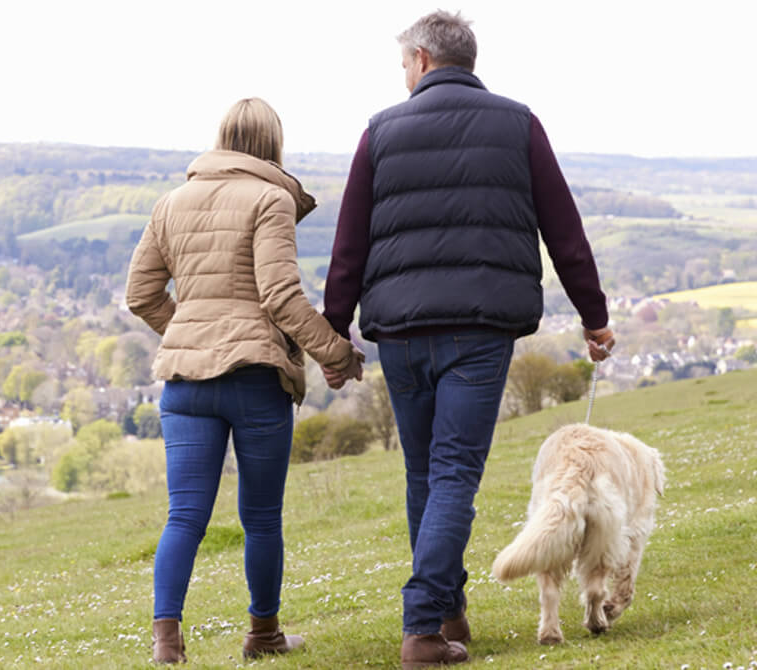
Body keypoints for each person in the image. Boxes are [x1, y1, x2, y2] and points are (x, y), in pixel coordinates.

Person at [320, 11, 616, 668]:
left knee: (426, 473)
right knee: (452, 472)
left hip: (398, 330)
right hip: (480, 330)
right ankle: (426, 626)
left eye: (403, 65)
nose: (402, 77)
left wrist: (333, 328)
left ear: (422, 59)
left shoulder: (380, 132)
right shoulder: (519, 124)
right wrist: (594, 317)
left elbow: (349, 243)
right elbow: (564, 230)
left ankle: (446, 612)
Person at [126, 97, 365, 664]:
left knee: (184, 514)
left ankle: (166, 640)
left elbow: (140, 295)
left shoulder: (172, 202)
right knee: (259, 516)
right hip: (255, 380)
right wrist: (336, 353)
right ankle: (263, 635)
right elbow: (279, 296)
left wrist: (190, 332)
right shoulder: (270, 198)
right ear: (273, 146)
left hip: (185, 383)